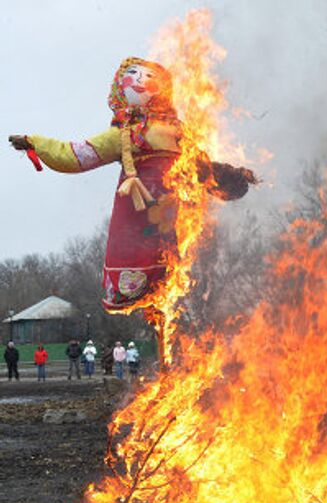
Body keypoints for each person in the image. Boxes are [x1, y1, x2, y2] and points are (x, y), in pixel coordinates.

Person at [9, 57, 256, 312]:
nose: (141, 80)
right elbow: (77, 155)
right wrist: (35, 142)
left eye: (150, 77)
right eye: (134, 74)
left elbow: (200, 167)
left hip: (168, 212)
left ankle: (163, 301)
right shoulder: (123, 134)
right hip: (133, 211)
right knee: (135, 259)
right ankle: (142, 298)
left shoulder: (177, 131)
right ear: (118, 87)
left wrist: (229, 177)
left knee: (168, 262)